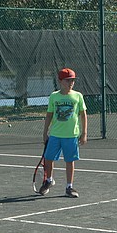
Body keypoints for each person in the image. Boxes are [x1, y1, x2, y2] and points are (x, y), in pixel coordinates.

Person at [39, 68, 88, 198]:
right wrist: (45, 132)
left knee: (70, 161)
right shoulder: (54, 96)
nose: (71, 83)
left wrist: (84, 133)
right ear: (60, 81)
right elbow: (49, 115)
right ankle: (49, 180)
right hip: (55, 135)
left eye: (72, 80)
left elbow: (83, 115)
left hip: (71, 135)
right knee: (48, 158)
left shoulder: (78, 96)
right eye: (68, 80)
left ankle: (69, 187)